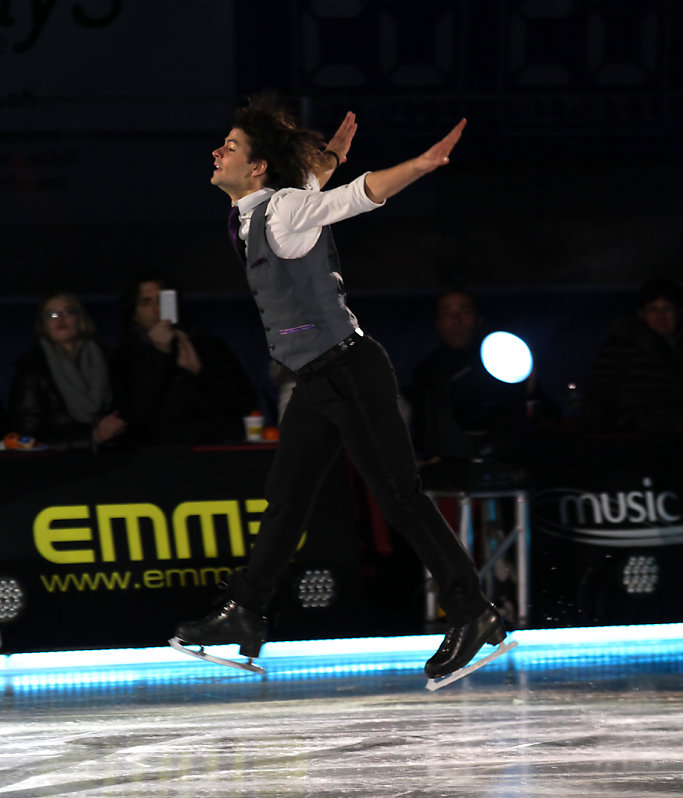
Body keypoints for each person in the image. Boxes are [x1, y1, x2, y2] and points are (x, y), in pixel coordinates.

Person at [174, 94, 507, 681]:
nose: (216, 151)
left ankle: (474, 612)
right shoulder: (261, 207)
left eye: (229, 146)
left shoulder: (281, 211)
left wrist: (420, 165)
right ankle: (245, 615)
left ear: (255, 167)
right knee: (288, 496)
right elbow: (317, 176)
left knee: (399, 495)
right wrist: (329, 155)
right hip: (316, 378)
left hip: (349, 370)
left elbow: (358, 194)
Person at [113, 273, 257, 444]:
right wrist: (159, 354)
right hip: (156, 453)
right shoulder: (124, 357)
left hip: (214, 447)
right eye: (146, 302)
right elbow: (132, 417)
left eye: (163, 299)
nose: (157, 309)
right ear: (134, 313)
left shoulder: (208, 347)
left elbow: (245, 402)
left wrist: (200, 371)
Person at [411, 288, 529, 465]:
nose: (456, 320)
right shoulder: (427, 371)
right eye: (447, 312)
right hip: (448, 466)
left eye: (464, 311)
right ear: (439, 322)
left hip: (506, 459)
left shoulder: (505, 359)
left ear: (478, 318)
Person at [8, 290, 126, 450]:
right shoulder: (31, 371)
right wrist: (91, 437)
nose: (60, 318)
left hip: (115, 455)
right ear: (44, 326)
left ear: (81, 319)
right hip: (59, 465)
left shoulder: (111, 360)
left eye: (67, 312)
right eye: (52, 315)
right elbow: (27, 437)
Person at [582, 277, 683, 435]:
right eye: (653, 309)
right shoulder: (622, 347)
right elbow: (599, 394)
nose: (661, 316)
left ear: (678, 312)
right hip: (635, 441)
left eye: (667, 309)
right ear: (642, 314)